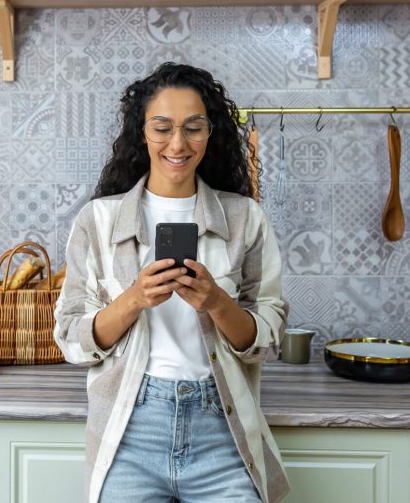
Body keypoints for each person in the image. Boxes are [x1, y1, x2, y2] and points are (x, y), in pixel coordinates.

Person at [53, 63, 289, 503]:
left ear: (210, 133)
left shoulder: (245, 219)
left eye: (193, 128)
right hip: (129, 433)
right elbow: (70, 339)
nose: (177, 144)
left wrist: (217, 303)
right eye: (162, 128)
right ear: (142, 133)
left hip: (224, 432)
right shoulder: (98, 221)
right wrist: (134, 300)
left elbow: (269, 338)